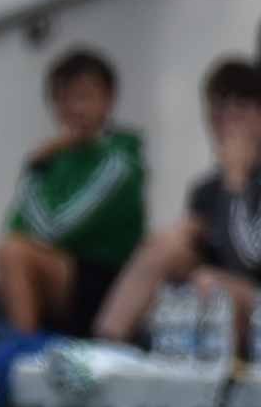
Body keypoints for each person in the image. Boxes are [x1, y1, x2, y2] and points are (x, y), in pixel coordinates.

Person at [95, 58, 261, 358]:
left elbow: (251, 260)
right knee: (166, 245)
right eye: (218, 114)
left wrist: (236, 185)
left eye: (238, 113)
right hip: (217, 293)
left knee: (207, 285)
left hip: (250, 296)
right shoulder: (207, 188)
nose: (226, 126)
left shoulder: (238, 181)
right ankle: (106, 347)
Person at [0, 48, 145, 337]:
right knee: (9, 251)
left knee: (13, 253)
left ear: (108, 99)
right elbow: (15, 225)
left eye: (84, 97)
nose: (74, 109)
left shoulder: (119, 159)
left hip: (109, 285)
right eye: (63, 99)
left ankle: (23, 349)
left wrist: (35, 168)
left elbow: (54, 229)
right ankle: (22, 347)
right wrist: (37, 167)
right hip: (65, 276)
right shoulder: (54, 158)